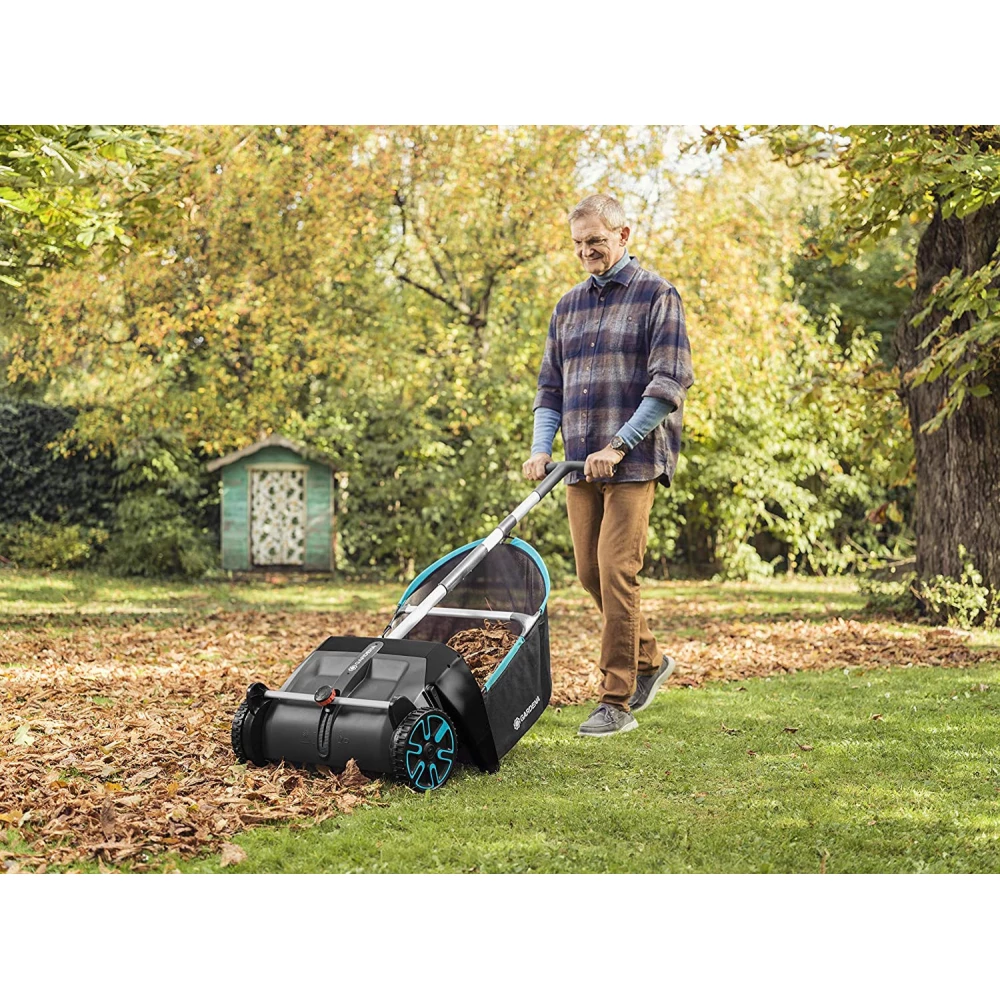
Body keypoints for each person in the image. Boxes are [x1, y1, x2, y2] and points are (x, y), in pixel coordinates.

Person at [523, 194, 694, 737]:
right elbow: (550, 388)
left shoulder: (657, 296)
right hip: (579, 463)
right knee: (590, 574)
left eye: (595, 240)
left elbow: (668, 385)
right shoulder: (567, 307)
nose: (586, 251)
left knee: (617, 570)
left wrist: (618, 445)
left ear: (623, 235)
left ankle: (616, 700)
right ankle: (649, 658)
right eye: (578, 243)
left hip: (634, 461)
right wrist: (540, 448)